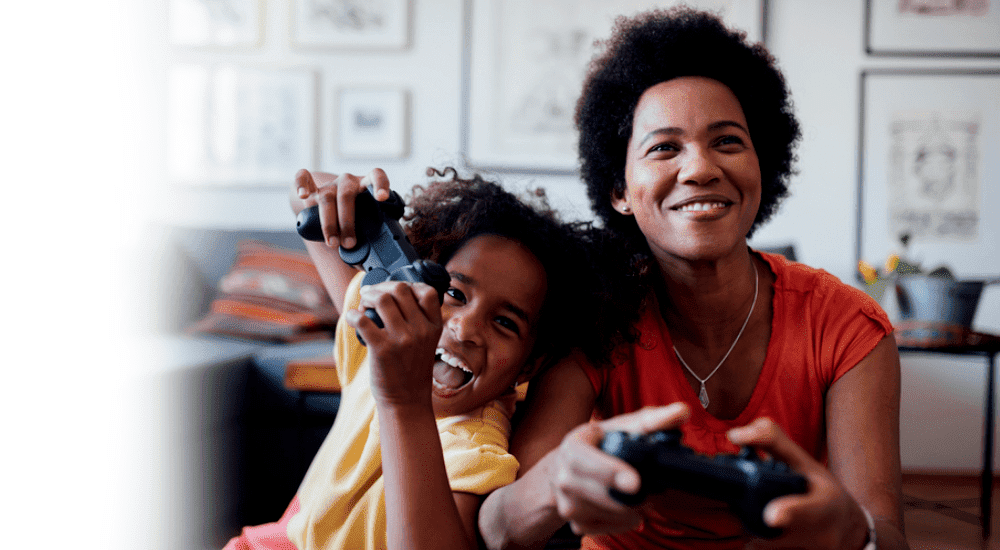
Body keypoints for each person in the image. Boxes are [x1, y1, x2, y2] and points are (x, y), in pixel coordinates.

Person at [478, 6, 909, 550]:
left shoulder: (846, 324)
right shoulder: (598, 316)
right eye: (664, 147)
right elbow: (498, 530)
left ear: (762, 166)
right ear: (620, 191)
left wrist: (852, 533)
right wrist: (552, 483)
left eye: (728, 141)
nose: (701, 168)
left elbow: (888, 536)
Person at [222, 166, 600, 550]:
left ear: (528, 366)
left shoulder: (474, 447)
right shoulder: (380, 342)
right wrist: (350, 201)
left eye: (504, 322)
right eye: (454, 295)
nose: (465, 328)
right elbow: (307, 194)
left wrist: (402, 399)